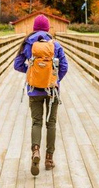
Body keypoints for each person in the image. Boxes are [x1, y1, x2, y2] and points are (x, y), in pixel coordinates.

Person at [13, 15, 68, 176]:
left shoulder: (27, 43)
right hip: (52, 90)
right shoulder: (55, 44)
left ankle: (35, 151)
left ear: (34, 28)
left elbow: (17, 65)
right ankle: (49, 159)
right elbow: (64, 66)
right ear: (48, 28)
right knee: (51, 123)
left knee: (36, 122)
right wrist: (54, 79)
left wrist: (31, 73)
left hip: (34, 89)